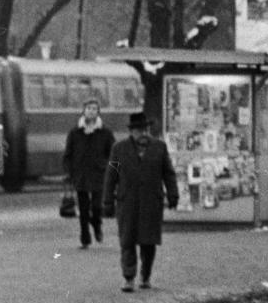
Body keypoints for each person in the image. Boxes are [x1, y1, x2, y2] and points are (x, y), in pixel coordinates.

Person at [104, 111, 180, 293]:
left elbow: (168, 173)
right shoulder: (118, 149)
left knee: (149, 242)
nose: (143, 133)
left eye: (145, 129)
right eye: (138, 130)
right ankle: (129, 278)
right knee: (127, 241)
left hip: (151, 202)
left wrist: (173, 194)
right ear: (132, 132)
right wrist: (107, 201)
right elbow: (110, 175)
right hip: (127, 202)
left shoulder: (160, 148)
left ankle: (145, 276)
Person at [63, 98, 115, 250]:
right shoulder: (75, 133)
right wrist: (68, 172)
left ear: (98, 112)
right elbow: (68, 154)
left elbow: (114, 155)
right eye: (89, 108)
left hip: (100, 175)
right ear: (83, 111)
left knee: (97, 206)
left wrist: (115, 174)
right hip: (80, 175)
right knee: (84, 209)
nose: (91, 111)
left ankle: (97, 226)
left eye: (94, 109)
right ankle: (85, 238)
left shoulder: (105, 133)